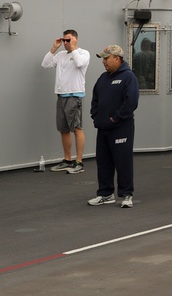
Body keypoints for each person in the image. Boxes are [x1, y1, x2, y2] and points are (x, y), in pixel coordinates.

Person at [88, 46, 139, 208]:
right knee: (103, 162)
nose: (103, 62)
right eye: (103, 59)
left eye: (106, 58)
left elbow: (130, 102)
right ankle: (105, 193)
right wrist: (96, 117)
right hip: (103, 128)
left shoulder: (128, 77)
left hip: (121, 127)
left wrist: (115, 118)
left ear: (117, 58)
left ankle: (126, 194)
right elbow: (95, 100)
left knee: (122, 161)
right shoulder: (103, 78)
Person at [41, 29, 91, 174]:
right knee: (63, 129)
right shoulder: (61, 55)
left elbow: (80, 63)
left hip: (74, 96)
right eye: (64, 40)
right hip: (61, 96)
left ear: (75, 39)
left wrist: (74, 47)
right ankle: (67, 159)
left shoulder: (83, 53)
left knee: (76, 128)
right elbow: (45, 64)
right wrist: (54, 48)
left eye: (68, 40)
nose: (65, 43)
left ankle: (79, 162)